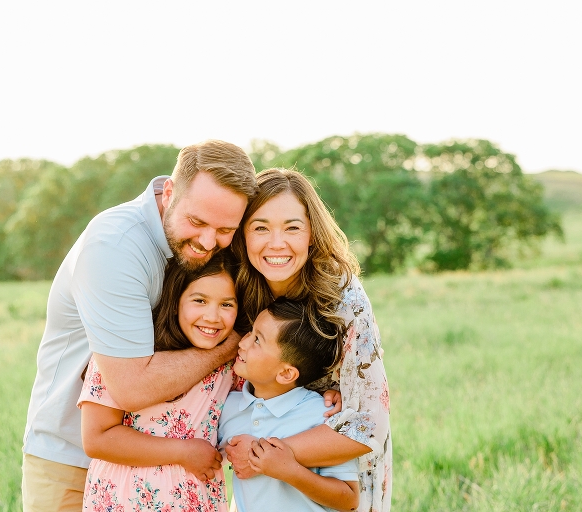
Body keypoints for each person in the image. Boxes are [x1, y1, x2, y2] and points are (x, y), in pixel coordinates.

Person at [21, 140, 257, 512]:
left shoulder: (200, 249)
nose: (209, 241)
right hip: (72, 458)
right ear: (169, 193)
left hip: (172, 480)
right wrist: (231, 346)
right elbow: (130, 386)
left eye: (225, 228)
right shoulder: (117, 246)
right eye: (197, 221)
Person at [229, 167, 392, 511]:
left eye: (292, 227)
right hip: (261, 486)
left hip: (335, 473)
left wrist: (261, 453)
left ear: (311, 235)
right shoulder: (237, 290)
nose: (277, 243)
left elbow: (368, 424)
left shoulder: (342, 298)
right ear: (242, 235)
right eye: (260, 228)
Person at [78, 251, 241, 512]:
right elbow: (97, 439)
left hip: (197, 500)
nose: (213, 316)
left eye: (227, 304)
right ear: (176, 300)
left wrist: (330, 392)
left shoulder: (233, 363)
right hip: (124, 500)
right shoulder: (125, 351)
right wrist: (182, 452)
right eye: (199, 300)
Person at [218, 297, 360, 512]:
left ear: (285, 373)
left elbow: (348, 500)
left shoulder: (322, 414)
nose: (243, 342)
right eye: (251, 331)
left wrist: (289, 470)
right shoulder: (228, 407)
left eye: (257, 340)